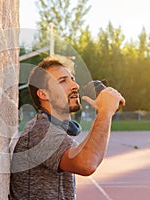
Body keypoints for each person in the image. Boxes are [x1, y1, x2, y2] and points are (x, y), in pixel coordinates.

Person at [9, 56, 125, 200]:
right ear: (43, 94)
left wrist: (105, 113)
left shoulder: (52, 128)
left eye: (73, 79)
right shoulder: (40, 131)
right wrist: (105, 112)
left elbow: (88, 155)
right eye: (62, 81)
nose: (75, 86)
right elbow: (87, 163)